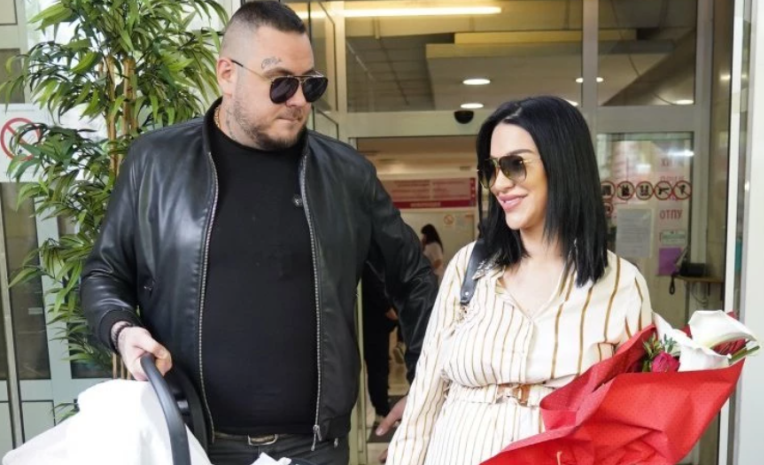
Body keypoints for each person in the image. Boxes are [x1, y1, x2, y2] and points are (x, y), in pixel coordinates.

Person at [80, 3, 437, 465]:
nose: (299, 100)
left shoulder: (347, 175)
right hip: (190, 444)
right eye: (281, 82)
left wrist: (426, 387)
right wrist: (122, 330)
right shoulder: (156, 164)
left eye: (311, 84)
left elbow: (415, 279)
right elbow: (104, 272)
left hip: (315, 450)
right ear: (227, 74)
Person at [386, 96, 654, 465]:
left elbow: (632, 423)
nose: (499, 184)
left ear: (562, 163)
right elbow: (425, 397)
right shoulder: (470, 267)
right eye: (491, 169)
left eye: (515, 165)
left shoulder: (622, 284)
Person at [361, 263, 399, 425]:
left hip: (372, 323)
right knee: (378, 368)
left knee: (379, 367)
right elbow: (377, 291)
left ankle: (381, 406)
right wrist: (391, 313)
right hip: (374, 325)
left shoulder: (368, 264)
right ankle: (381, 410)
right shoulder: (367, 266)